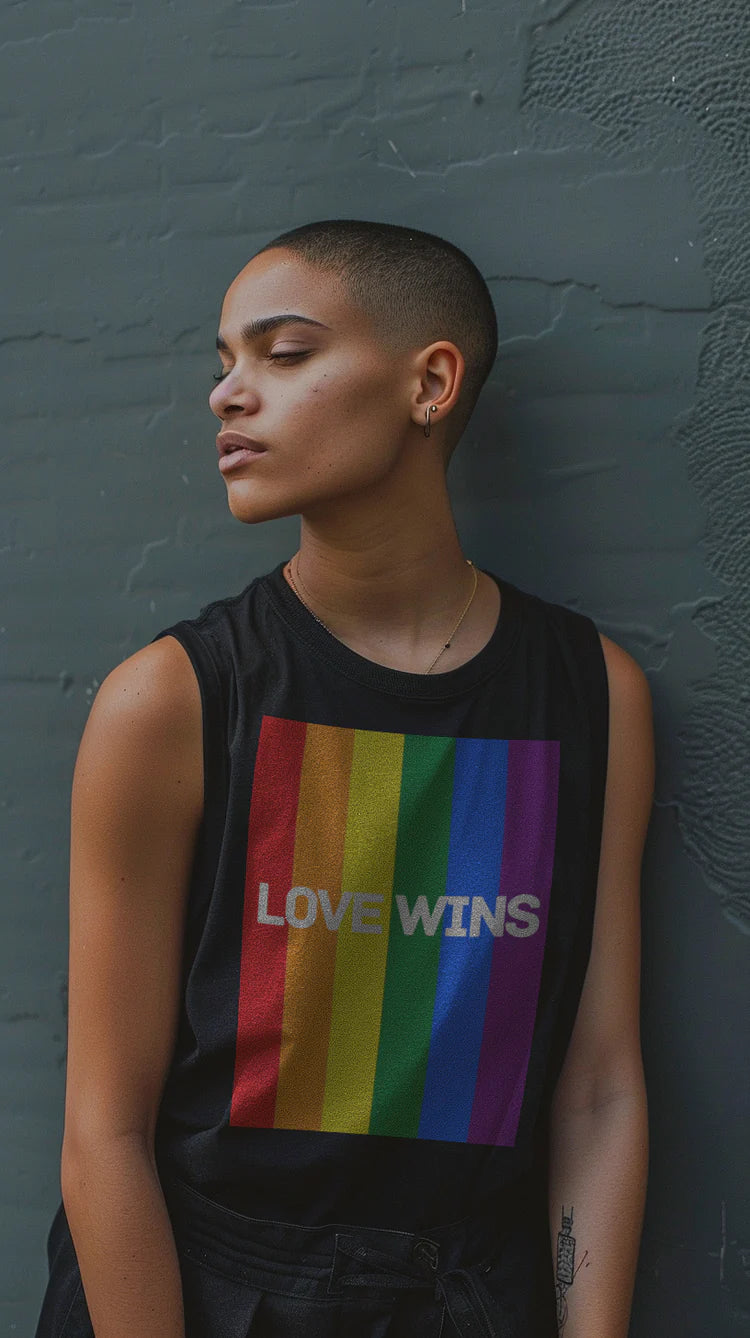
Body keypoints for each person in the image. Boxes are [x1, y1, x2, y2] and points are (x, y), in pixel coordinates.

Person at [34, 219, 653, 1338]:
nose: (228, 393)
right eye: (224, 361)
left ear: (430, 383)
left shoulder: (589, 695)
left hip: (470, 1301)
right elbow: (102, 1133)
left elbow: (598, 1088)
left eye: (284, 353)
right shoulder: (172, 701)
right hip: (212, 1298)